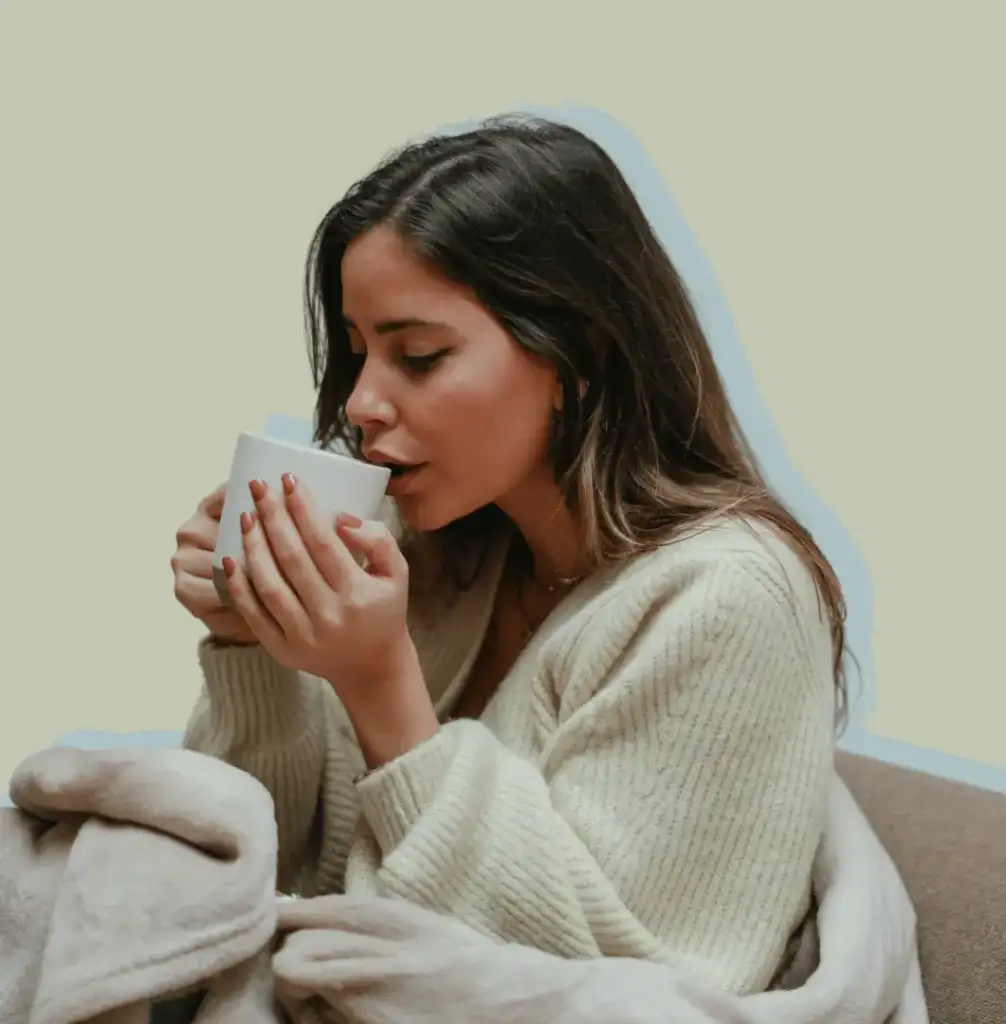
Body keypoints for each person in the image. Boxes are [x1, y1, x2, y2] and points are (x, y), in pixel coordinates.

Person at [170, 115, 847, 998]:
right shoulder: (440, 558)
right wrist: (254, 647)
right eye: (360, 352)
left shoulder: (731, 598)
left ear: (578, 354)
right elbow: (255, 882)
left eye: (418, 355)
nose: (364, 402)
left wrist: (384, 691)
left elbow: (607, 988)